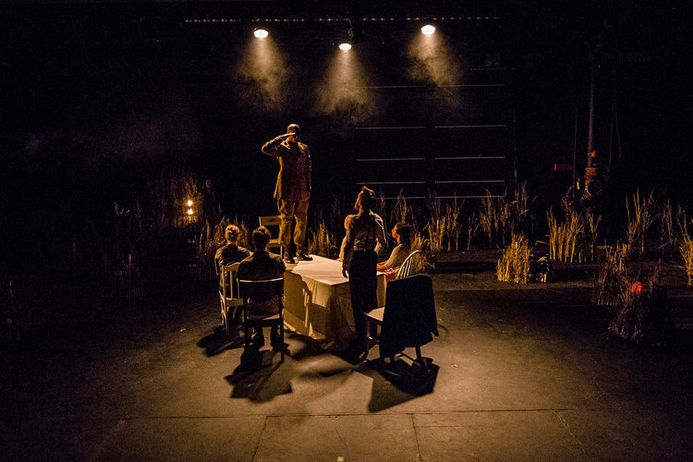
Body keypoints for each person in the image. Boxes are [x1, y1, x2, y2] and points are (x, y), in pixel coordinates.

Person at [342, 186, 387, 361]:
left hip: (358, 258)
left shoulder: (355, 220)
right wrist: (374, 253)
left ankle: (361, 337)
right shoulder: (377, 219)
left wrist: (345, 264)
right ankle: (373, 333)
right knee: (370, 295)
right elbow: (383, 242)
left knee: (357, 299)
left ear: (360, 202)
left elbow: (349, 243)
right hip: (369, 259)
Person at [261, 123, 312, 264]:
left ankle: (300, 250)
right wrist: (282, 137)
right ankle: (287, 251)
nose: (296, 136)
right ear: (288, 133)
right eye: (293, 133)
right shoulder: (281, 147)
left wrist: (308, 185)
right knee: (287, 219)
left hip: (302, 189)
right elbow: (265, 149)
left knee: (302, 220)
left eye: (298, 133)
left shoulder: (304, 148)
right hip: (287, 188)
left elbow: (308, 166)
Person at [237, 226, 286, 349]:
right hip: (273, 307)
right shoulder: (276, 259)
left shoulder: (245, 263)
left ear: (253, 240)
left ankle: (258, 333)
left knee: (254, 296)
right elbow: (282, 273)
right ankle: (274, 333)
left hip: (254, 307)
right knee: (278, 296)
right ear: (268, 241)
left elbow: (241, 287)